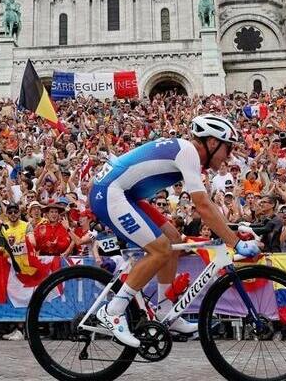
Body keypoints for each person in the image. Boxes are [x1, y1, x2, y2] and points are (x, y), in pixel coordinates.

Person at [89, 114, 255, 348]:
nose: (228, 157)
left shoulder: (188, 153)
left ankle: (165, 309)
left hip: (126, 194)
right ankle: (113, 311)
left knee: (173, 239)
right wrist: (235, 243)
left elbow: (206, 204)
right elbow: (203, 205)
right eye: (227, 149)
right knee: (160, 250)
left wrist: (232, 231)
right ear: (211, 142)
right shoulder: (188, 151)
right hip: (110, 192)